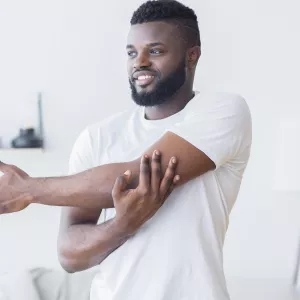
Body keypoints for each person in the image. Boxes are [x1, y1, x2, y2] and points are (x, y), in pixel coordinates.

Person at [0, 1, 252, 299]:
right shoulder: (97, 137)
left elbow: (137, 177)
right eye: (132, 52)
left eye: (155, 51)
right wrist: (122, 225)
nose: (139, 62)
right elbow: (70, 255)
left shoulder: (224, 111)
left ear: (192, 55)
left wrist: (27, 189)